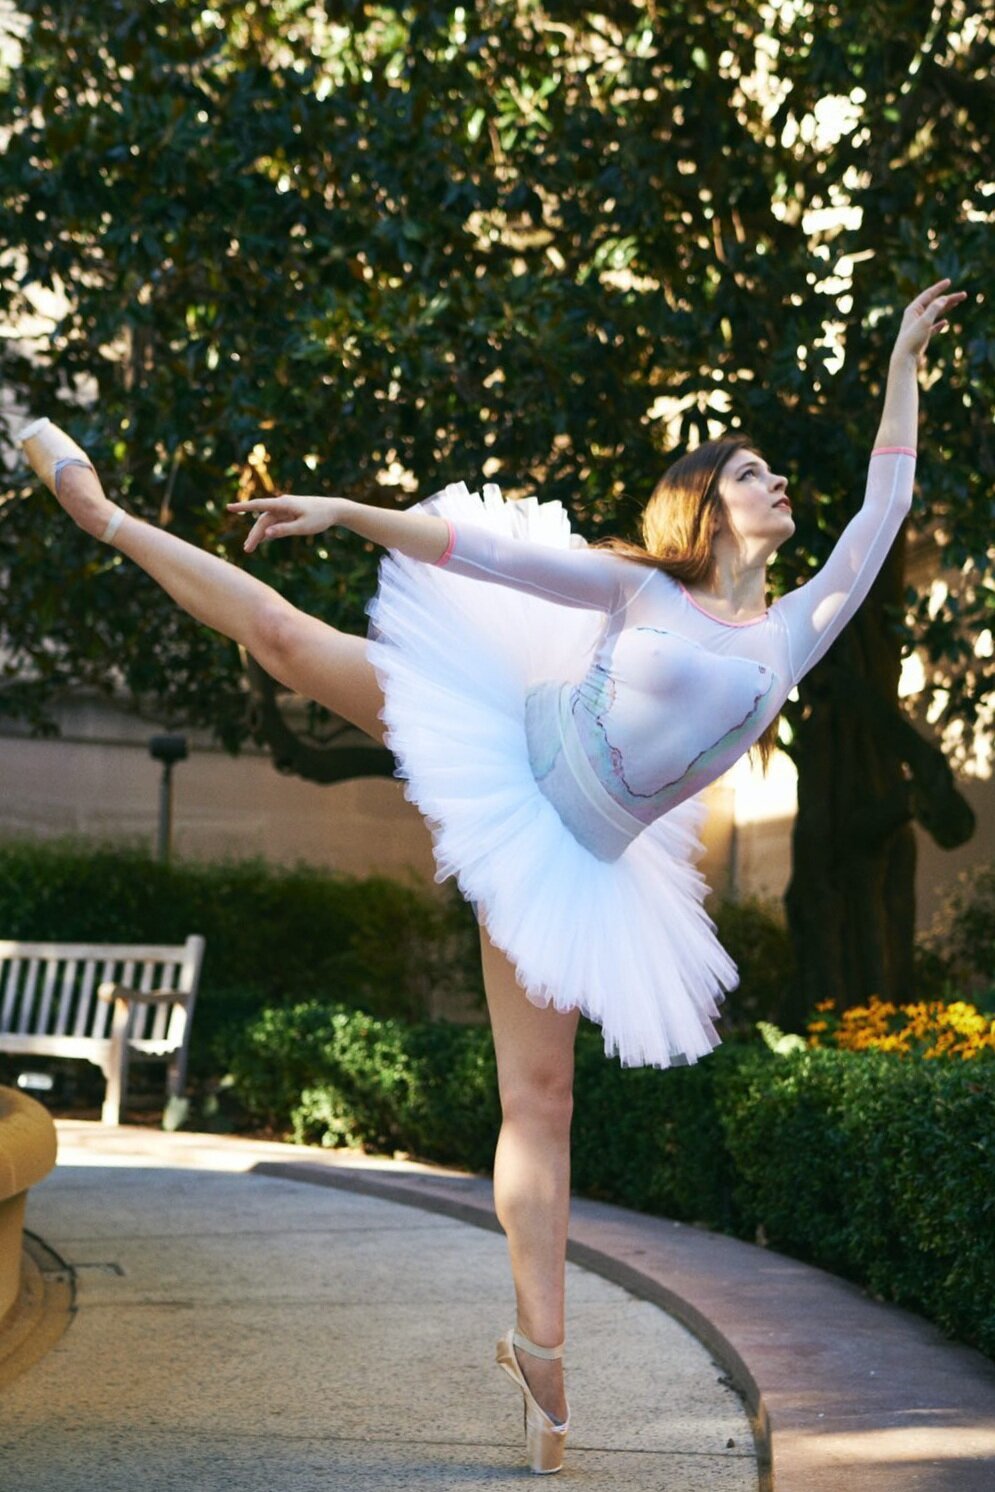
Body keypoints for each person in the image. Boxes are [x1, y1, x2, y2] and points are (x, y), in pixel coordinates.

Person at [16, 276, 964, 1475]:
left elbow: (882, 508)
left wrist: (898, 360)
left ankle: (541, 1358)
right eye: (748, 472)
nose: (774, 483)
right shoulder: (644, 587)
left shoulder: (796, 629)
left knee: (543, 1105)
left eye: (773, 473)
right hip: (500, 736)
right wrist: (350, 511)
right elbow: (486, 555)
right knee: (287, 640)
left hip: (572, 859)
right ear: (702, 508)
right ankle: (101, 513)